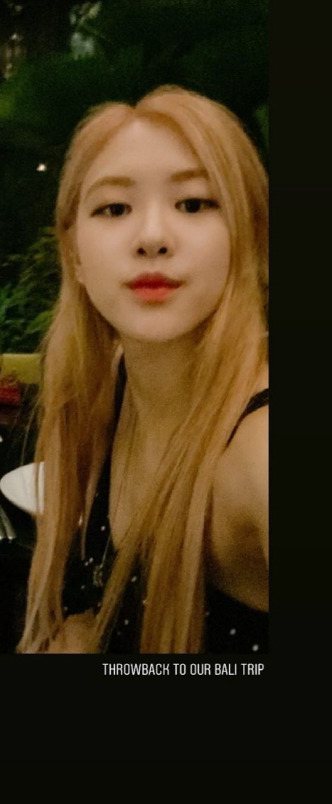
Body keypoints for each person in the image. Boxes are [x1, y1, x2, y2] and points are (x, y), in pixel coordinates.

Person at [19, 86, 268, 655]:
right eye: (114, 208)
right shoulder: (111, 383)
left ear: (249, 238)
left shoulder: (259, 452)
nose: (152, 237)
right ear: (74, 254)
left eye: (195, 204)